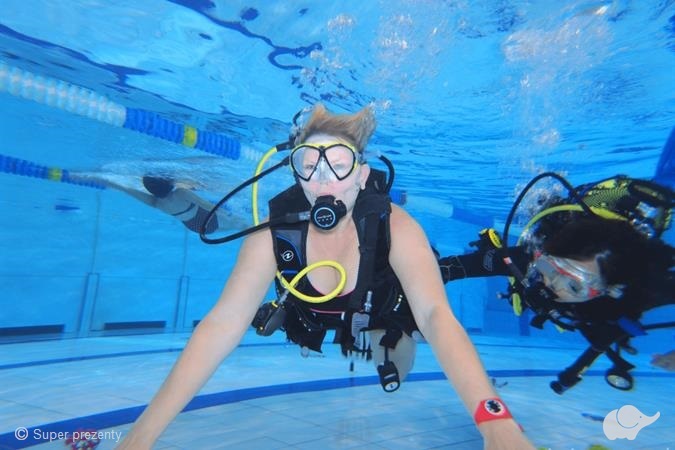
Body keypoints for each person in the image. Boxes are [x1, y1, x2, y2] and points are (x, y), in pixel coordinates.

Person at [117, 104, 535, 449]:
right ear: (295, 171)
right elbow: (221, 325)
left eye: (338, 164)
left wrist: (492, 418)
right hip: (311, 318)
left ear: (361, 174)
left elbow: (435, 315)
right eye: (308, 164)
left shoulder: (397, 227)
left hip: (383, 314)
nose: (323, 181)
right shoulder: (272, 235)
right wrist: (139, 437)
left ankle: (393, 342)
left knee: (398, 364)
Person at [437, 173, 674, 393]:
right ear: (542, 256)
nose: (552, 285)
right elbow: (449, 268)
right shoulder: (527, 258)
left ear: (610, 290)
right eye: (548, 268)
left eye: (574, 286)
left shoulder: (643, 290)